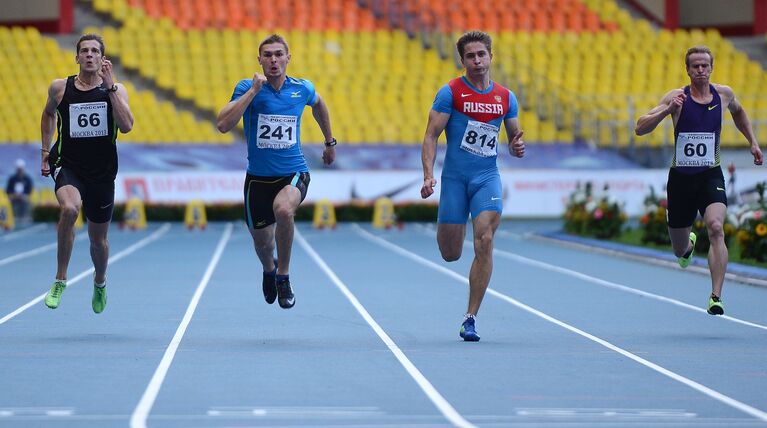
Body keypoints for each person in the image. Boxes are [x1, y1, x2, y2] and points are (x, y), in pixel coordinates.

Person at [635, 45, 763, 316]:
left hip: (709, 174)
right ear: (688, 69)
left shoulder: (724, 95)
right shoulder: (677, 97)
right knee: (680, 250)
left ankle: (716, 296)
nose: (701, 70)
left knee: (716, 227)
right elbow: (640, 127)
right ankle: (688, 246)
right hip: (681, 179)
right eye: (696, 66)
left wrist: (752, 141)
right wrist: (667, 110)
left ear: (711, 67)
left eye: (705, 65)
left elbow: (739, 113)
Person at [216, 34, 336, 309]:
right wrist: (252, 93)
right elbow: (223, 124)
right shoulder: (247, 87)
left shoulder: (302, 88)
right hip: (257, 179)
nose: (273, 60)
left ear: (288, 58)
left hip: (293, 172)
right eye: (267, 55)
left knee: (284, 210)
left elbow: (319, 104)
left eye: (278, 54)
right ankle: (269, 269)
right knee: (263, 244)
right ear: (259, 60)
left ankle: (283, 276)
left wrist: (329, 142)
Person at [420, 31, 525, 341]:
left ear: (491, 57)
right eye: (470, 56)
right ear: (462, 60)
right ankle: (457, 225)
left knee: (485, 239)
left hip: (486, 178)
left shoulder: (506, 97)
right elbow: (430, 135)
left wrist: (518, 146)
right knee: (450, 253)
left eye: (482, 54)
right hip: (454, 180)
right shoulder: (450, 92)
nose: (477, 61)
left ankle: (470, 317)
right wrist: (428, 175)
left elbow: (514, 135)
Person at [40, 34, 134, 313]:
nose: (90, 55)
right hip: (69, 167)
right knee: (70, 210)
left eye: (95, 51)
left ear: (103, 59)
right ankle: (60, 279)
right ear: (77, 57)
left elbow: (127, 126)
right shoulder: (60, 88)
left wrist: (111, 87)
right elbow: (47, 114)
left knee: (98, 241)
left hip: (103, 174)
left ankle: (100, 281)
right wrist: (46, 151)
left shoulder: (116, 89)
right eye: (85, 51)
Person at [6, 159, 34, 225]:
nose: (19, 171)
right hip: (14, 197)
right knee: (12, 202)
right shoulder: (12, 178)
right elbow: (8, 190)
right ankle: (13, 217)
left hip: (24, 197)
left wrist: (23, 195)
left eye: (20, 169)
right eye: (18, 169)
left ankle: (25, 218)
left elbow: (29, 190)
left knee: (26, 201)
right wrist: (14, 195)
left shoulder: (27, 178)